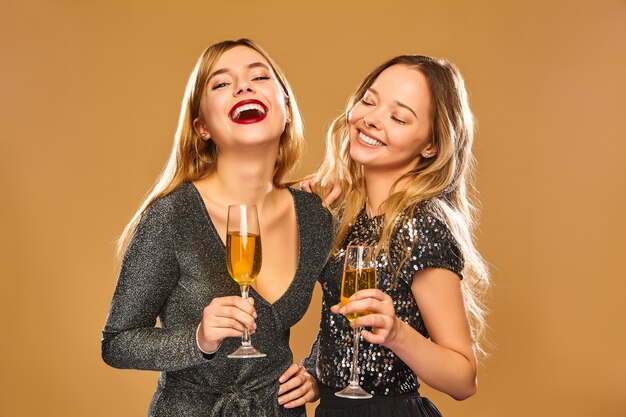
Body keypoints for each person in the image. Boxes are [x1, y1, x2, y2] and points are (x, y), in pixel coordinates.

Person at [101, 38, 332, 417]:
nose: (244, 86)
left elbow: (350, 312)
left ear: (286, 109)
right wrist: (199, 339)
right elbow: (117, 343)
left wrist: (315, 371)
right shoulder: (172, 215)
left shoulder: (315, 216)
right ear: (202, 127)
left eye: (259, 76)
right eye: (222, 83)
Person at [279, 55, 490, 416]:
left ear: (431, 146)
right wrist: (316, 374)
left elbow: (463, 378)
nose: (371, 119)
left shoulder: (423, 225)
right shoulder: (344, 213)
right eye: (369, 101)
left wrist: (396, 334)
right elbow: (341, 325)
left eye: (398, 117)